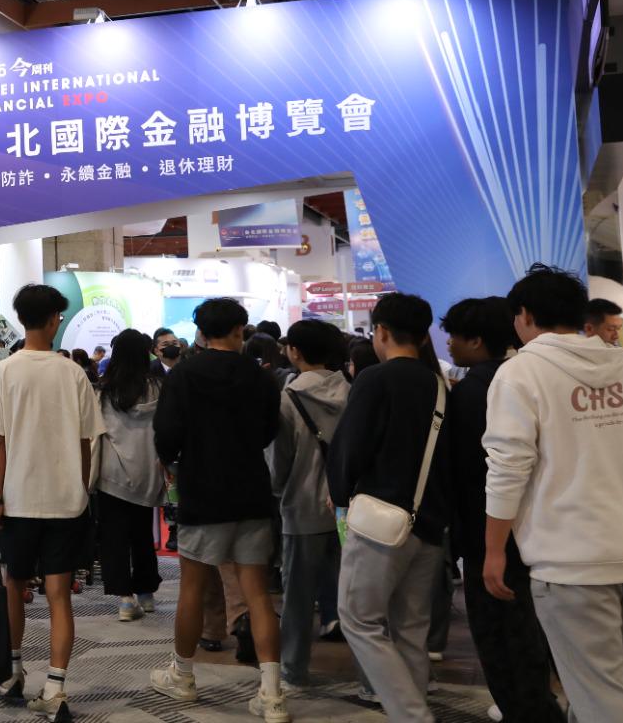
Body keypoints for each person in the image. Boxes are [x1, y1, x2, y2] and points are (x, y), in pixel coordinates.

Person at [485, 265, 623, 721]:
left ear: (525, 315)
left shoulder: (520, 374)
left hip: (570, 561)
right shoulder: (621, 363)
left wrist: (494, 550)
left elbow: (508, 468)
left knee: (600, 697)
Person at [150, 297, 286, 722]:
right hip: (251, 490)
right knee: (257, 592)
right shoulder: (260, 376)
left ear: (202, 333)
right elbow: (270, 430)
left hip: (202, 490)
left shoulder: (185, 374)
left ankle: (183, 675)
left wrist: (174, 460)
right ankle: (272, 692)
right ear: (240, 329)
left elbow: (166, 432)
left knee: (192, 587)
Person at [0, 284, 104, 721]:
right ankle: (56, 686)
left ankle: (13, 672)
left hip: (18, 500)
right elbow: (86, 443)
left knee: (14, 585)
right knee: (58, 595)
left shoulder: (3, 373)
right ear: (52, 321)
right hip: (67, 502)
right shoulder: (73, 374)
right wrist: (81, 488)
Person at [327, 292, 450, 722]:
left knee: (359, 620)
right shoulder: (439, 385)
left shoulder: (375, 379)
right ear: (423, 335)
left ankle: (412, 715)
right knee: (411, 630)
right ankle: (414, 711)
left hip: (380, 522)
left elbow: (350, 448)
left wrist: (340, 493)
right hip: (429, 523)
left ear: (380, 332)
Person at [441, 295, 564, 723]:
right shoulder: (529, 377)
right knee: (532, 634)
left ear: (476, 340)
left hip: (489, 534)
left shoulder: (474, 391)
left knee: (502, 642)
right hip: (539, 529)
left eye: (454, 336)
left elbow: (472, 471)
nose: (449, 344)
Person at [272, 319, 351, 692]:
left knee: (299, 597)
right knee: (355, 597)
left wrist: (277, 489)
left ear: (295, 352)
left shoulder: (289, 397)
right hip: (349, 510)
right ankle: (371, 680)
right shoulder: (351, 390)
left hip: (302, 507)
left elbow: (279, 460)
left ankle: (294, 670)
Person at [95, 328, 163, 622]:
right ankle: (146, 593)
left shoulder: (104, 391)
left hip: (112, 473)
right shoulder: (159, 388)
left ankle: (125, 599)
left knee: (114, 536)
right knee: (142, 533)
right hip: (147, 471)